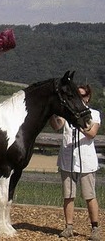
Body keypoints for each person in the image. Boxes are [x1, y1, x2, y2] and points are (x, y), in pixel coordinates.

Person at [49, 84, 101, 240]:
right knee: (68, 195)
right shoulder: (67, 114)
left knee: (89, 195)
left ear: (88, 97)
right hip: (68, 159)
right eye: (78, 95)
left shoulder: (94, 114)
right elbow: (57, 126)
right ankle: (69, 227)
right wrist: (52, 113)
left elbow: (92, 133)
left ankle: (95, 228)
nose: (81, 97)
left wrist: (78, 124)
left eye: (83, 95)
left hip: (86, 160)